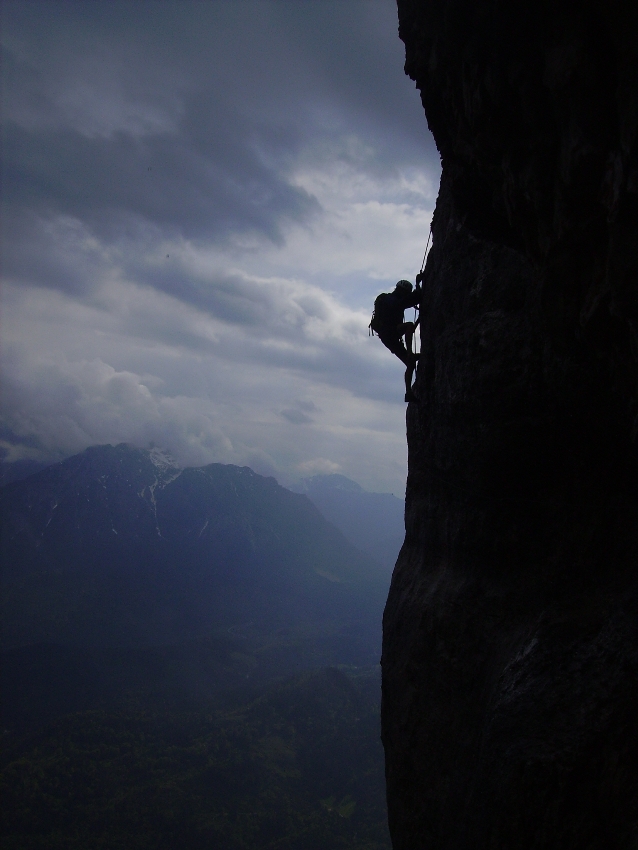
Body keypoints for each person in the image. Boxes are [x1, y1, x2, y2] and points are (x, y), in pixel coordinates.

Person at [370, 276, 423, 402]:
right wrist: (417, 285)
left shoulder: (387, 299)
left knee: (410, 364)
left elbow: (410, 300)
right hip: (391, 333)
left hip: (389, 337)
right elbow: (410, 300)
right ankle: (410, 353)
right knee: (409, 326)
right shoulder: (391, 299)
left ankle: (408, 392)